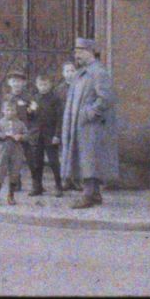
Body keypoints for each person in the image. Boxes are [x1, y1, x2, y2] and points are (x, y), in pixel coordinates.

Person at [59, 39, 119, 208]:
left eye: (79, 51)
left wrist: (89, 113)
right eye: (76, 51)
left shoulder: (98, 72)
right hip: (80, 125)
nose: (76, 55)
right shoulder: (82, 73)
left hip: (92, 126)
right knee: (85, 158)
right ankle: (95, 194)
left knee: (89, 160)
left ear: (90, 52)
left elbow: (106, 98)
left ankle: (88, 195)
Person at [26, 67, 66, 197]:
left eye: (45, 84)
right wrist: (30, 112)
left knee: (54, 162)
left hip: (50, 135)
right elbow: (30, 118)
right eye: (40, 85)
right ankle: (37, 186)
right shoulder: (34, 98)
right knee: (37, 162)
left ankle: (58, 186)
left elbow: (60, 118)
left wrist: (57, 135)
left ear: (50, 85)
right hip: (37, 135)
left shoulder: (55, 99)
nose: (43, 87)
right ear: (37, 85)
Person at [0, 94, 28, 207]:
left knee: (14, 172)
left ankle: (11, 195)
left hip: (16, 150)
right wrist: (4, 135)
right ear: (3, 111)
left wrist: (20, 136)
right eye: (7, 110)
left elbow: (27, 135)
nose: (10, 112)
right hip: (3, 149)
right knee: (0, 171)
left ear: (16, 111)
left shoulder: (20, 123)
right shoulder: (0, 123)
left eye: (12, 110)